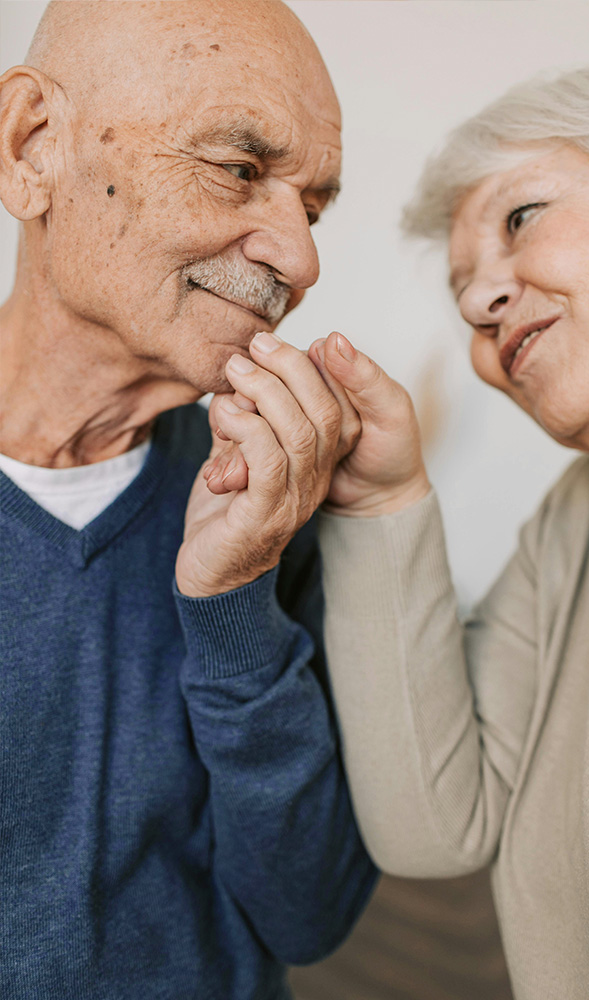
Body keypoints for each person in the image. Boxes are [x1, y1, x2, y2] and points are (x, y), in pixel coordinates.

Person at [0, 2, 377, 997]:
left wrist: (234, 601)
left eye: (314, 206)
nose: (300, 260)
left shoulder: (275, 501)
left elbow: (311, 913)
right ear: (32, 145)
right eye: (238, 168)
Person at [312, 68, 589, 1000]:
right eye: (463, 293)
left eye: (519, 218)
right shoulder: (577, 526)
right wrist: (380, 504)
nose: (478, 306)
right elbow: (433, 826)